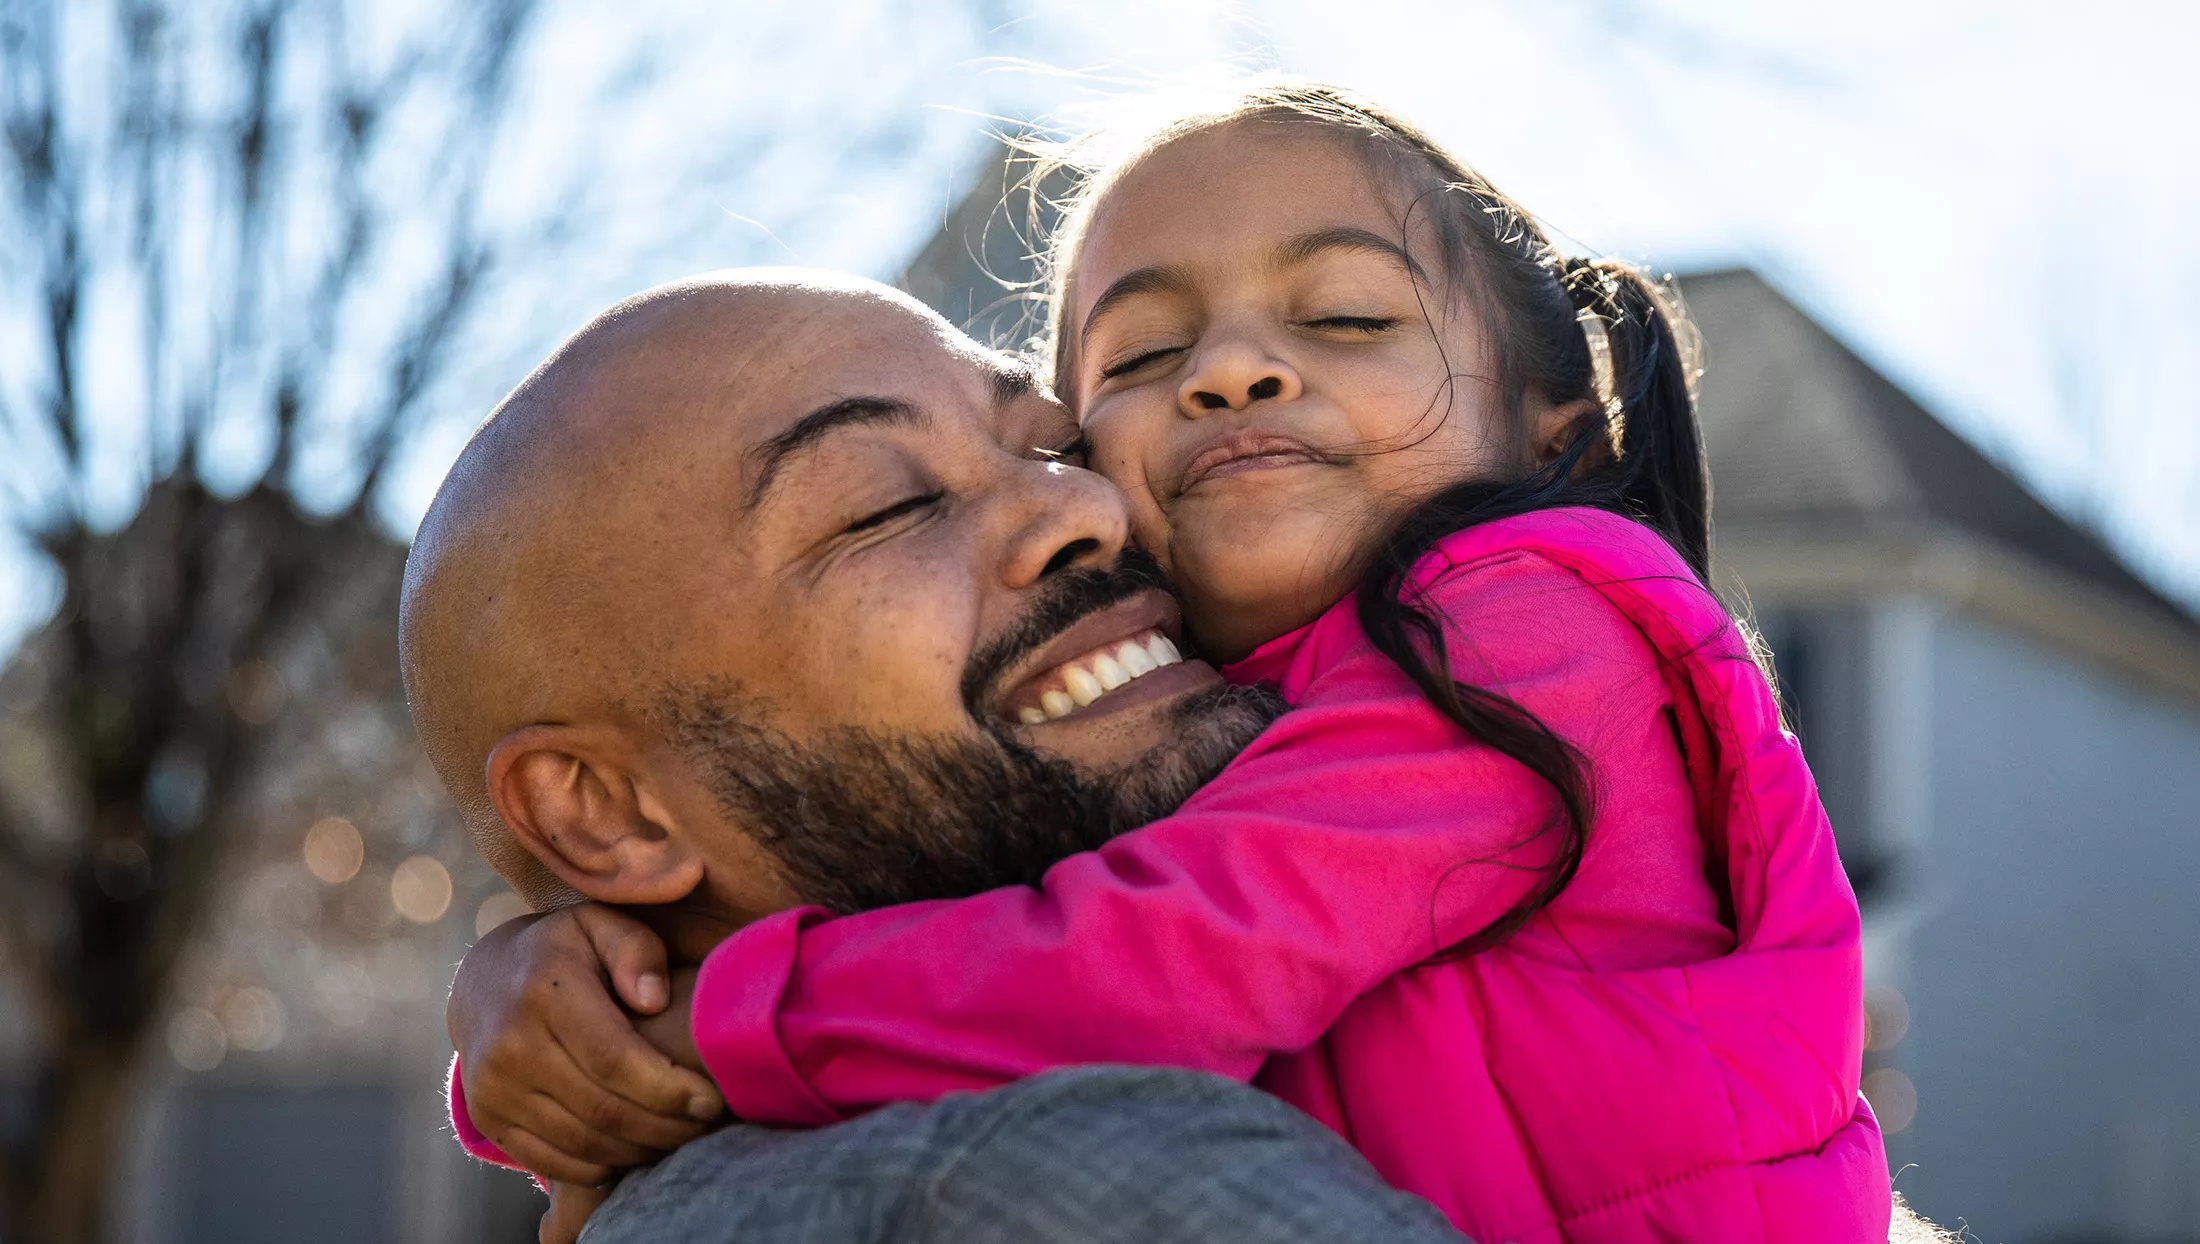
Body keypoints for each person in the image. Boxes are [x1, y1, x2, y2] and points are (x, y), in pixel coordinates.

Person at [445, 83, 1893, 1242]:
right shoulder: (1251, 708)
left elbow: (1166, 949)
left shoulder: (1532, 626)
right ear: (607, 817)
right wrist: (558, 975)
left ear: (1554, 426)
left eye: (1347, 318)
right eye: (1132, 370)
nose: (1233, 373)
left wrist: (712, 1020)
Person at [402, 269, 1465, 1243]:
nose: (1088, 505)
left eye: (1053, 444)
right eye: (885, 506)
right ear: (609, 815)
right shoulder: (1062, 1185)